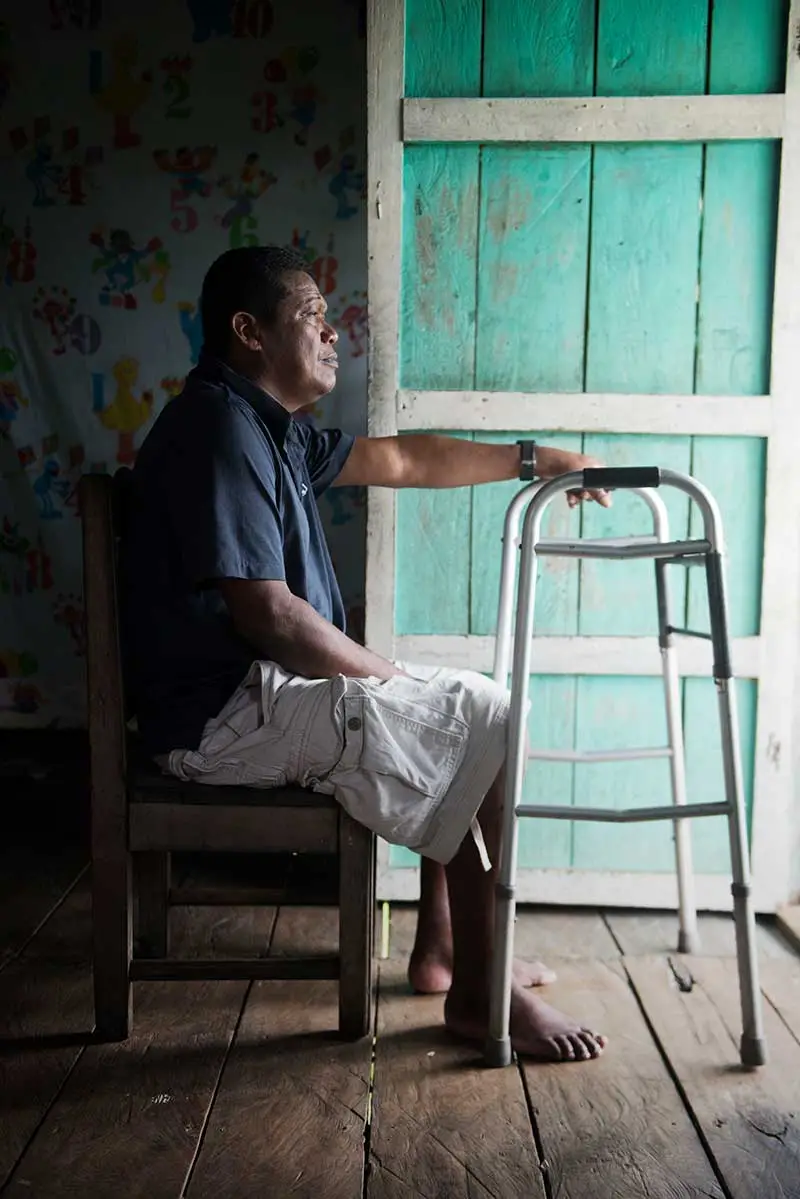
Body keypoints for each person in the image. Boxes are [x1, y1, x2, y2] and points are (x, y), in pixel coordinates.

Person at [122, 245, 612, 1063]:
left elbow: (405, 458)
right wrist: (389, 679)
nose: (333, 331)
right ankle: (479, 988)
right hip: (219, 719)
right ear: (248, 332)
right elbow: (272, 616)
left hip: (262, 695)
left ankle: (451, 948)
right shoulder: (216, 426)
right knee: (467, 710)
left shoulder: (270, 430)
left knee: (480, 701)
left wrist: (547, 459)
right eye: (312, 313)